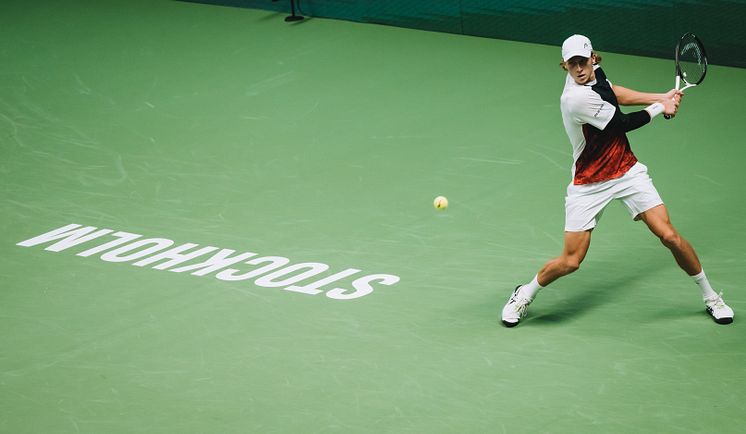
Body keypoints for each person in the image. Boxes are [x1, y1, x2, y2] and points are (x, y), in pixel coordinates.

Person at [501, 34, 734, 327]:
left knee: (670, 236)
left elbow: (614, 93)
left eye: (583, 62)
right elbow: (620, 124)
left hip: (626, 171)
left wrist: (659, 96)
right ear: (565, 66)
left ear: (593, 58)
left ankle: (711, 297)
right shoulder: (575, 98)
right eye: (572, 64)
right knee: (571, 261)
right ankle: (524, 293)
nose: (579, 69)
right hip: (589, 182)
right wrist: (661, 108)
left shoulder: (595, 75)